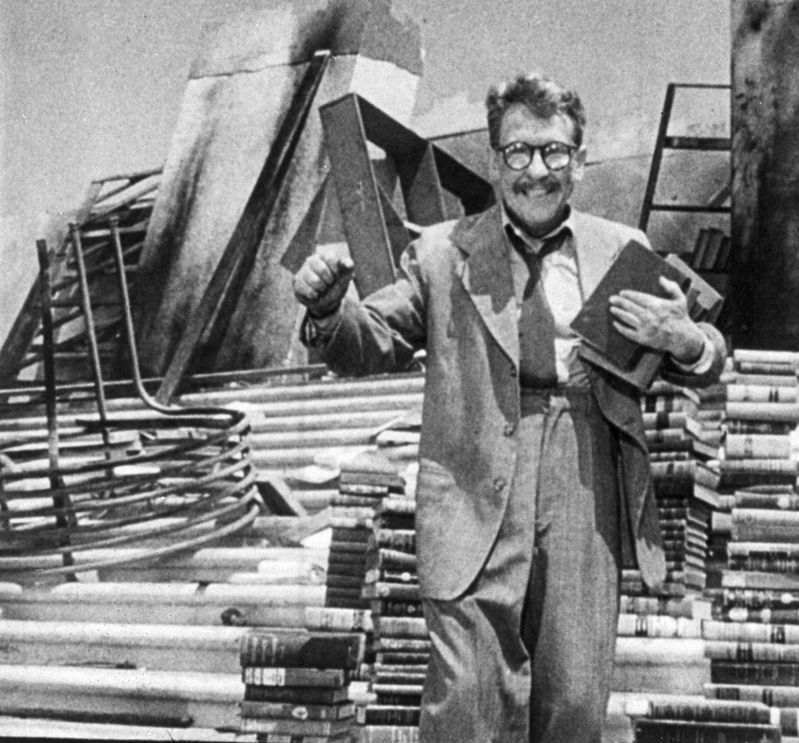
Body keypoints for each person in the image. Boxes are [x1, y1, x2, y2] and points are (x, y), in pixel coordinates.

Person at [294, 72, 726, 743]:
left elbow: (711, 360)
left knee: (573, 698)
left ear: (579, 161)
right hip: (471, 484)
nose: (537, 171)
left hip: (585, 476)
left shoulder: (624, 249)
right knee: (468, 699)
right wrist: (327, 310)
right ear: (496, 162)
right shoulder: (441, 254)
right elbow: (369, 341)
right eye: (518, 152)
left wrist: (686, 340)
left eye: (554, 151)